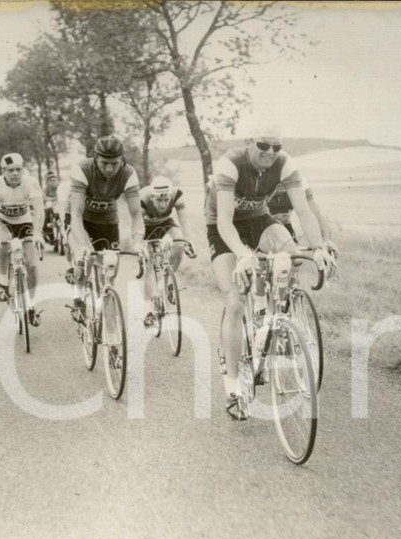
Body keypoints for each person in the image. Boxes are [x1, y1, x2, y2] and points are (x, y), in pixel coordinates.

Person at [206, 121, 336, 420]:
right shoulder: (230, 164)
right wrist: (242, 254)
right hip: (223, 229)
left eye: (276, 146)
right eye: (263, 145)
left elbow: (303, 211)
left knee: (290, 254)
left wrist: (318, 248)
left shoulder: (284, 163)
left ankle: (272, 319)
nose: (270, 152)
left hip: (260, 220)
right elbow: (225, 220)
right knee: (235, 302)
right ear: (249, 142)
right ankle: (234, 386)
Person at [66, 135, 144, 324]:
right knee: (85, 260)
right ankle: (78, 299)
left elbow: (136, 215)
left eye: (114, 164)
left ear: (122, 160)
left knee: (111, 265)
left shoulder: (128, 173)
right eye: (104, 163)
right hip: (81, 219)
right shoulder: (82, 169)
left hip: (107, 220)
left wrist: (138, 241)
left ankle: (104, 299)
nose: (109, 168)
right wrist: (84, 246)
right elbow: (75, 214)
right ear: (95, 159)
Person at [0, 152, 44, 325]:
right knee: (3, 242)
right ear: (3, 171)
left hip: (25, 221)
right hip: (2, 220)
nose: (15, 173)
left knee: (31, 264)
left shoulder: (30, 182)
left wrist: (37, 233)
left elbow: (39, 209)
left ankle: (30, 305)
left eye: (18, 170)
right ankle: (3, 282)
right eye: (11, 170)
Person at [138, 175, 196, 327]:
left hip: (166, 224)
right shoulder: (142, 199)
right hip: (145, 227)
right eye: (159, 200)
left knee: (179, 243)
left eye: (166, 200)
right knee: (150, 263)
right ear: (152, 197)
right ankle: (148, 310)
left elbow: (184, 221)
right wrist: (139, 245)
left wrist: (188, 241)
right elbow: (136, 224)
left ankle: (168, 280)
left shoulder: (177, 195)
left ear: (170, 196)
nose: (163, 205)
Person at [41, 169, 62, 251]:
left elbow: (63, 195)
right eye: (51, 180)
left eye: (54, 180)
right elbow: (43, 197)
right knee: (46, 211)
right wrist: (54, 199)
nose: (53, 182)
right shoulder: (45, 189)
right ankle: (46, 229)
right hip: (50, 206)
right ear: (47, 182)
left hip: (58, 206)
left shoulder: (59, 187)